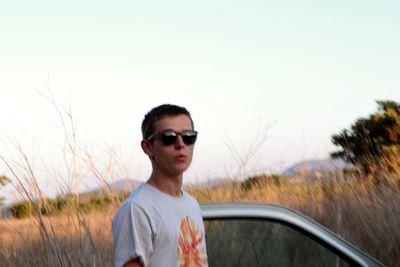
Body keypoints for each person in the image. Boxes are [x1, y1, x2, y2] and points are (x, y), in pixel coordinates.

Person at [112, 104, 208, 267]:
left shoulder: (192, 204)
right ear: (148, 147)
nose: (180, 144)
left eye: (189, 136)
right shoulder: (137, 210)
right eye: (168, 137)